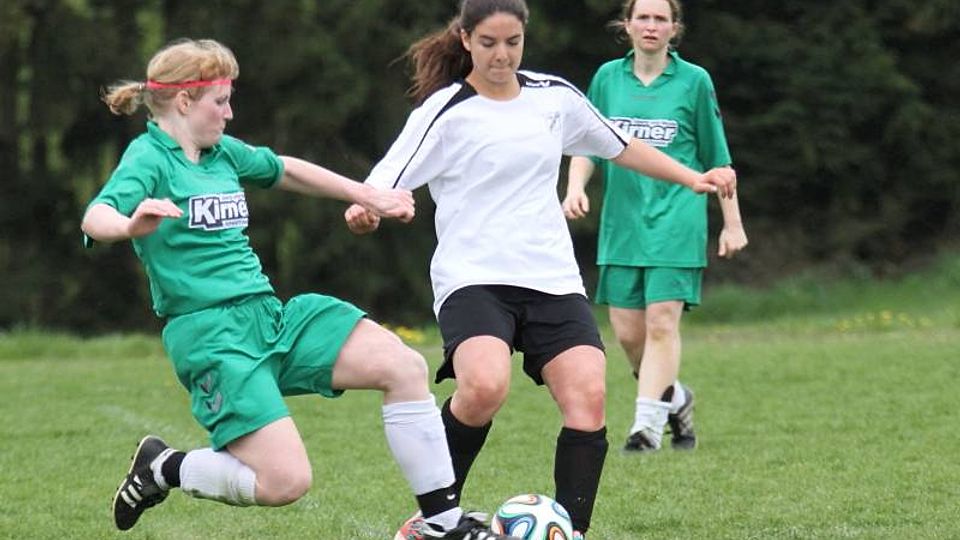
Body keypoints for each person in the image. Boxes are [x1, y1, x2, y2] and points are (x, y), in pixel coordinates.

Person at [82, 38, 517, 540]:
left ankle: (441, 526)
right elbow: (96, 216)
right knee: (286, 482)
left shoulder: (221, 153)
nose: (229, 112)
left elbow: (285, 169)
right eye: (220, 101)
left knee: (404, 367)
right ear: (184, 101)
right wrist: (129, 224)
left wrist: (368, 194)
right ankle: (164, 468)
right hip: (212, 340)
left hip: (270, 317)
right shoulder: (149, 157)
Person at [343, 1, 736, 537]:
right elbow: (381, 185)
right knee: (484, 388)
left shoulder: (554, 97)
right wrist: (365, 211)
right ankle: (435, 521)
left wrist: (692, 178)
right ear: (466, 40)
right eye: (489, 43)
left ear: (525, 37)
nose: (502, 55)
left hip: (551, 277)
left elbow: (619, 146)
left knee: (588, 397)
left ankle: (572, 532)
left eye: (513, 42)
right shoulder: (445, 111)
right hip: (474, 276)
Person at [563, 0, 748, 454]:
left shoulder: (694, 81)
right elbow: (586, 144)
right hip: (622, 224)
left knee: (662, 322)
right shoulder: (607, 78)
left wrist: (732, 224)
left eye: (660, 18)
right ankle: (675, 398)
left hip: (677, 219)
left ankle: (645, 428)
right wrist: (574, 187)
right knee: (629, 334)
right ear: (626, 25)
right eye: (642, 17)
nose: (651, 26)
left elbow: (718, 161)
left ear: (674, 28)